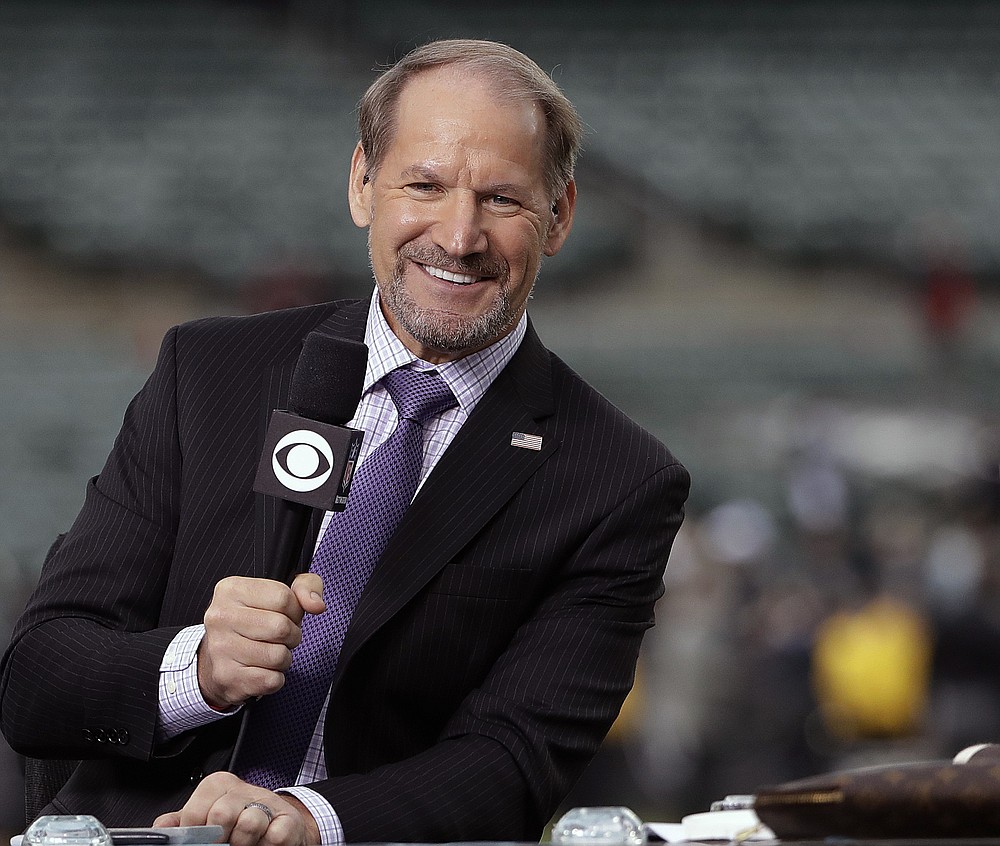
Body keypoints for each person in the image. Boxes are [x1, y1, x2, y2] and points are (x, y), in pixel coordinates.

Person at [0, 39, 689, 846]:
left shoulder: (618, 480)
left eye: (502, 199)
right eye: (424, 185)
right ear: (364, 184)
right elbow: (36, 680)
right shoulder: (208, 373)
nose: (459, 235)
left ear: (561, 215)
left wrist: (303, 820)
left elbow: (513, 761)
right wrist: (199, 671)